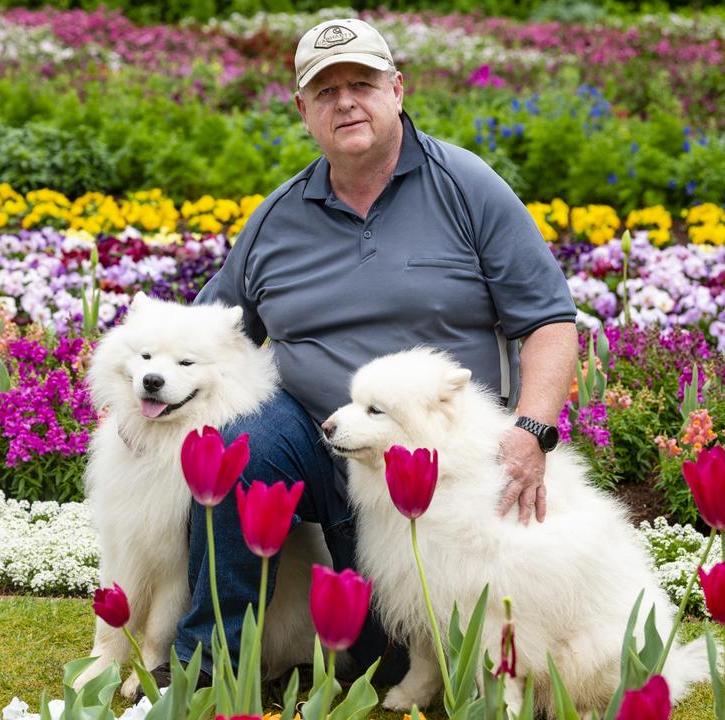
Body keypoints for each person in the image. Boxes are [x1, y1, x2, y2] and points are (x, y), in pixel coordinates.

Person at [172, 18, 580, 685]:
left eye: (361, 82)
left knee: (384, 665)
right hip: (312, 433)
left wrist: (533, 429)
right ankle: (204, 669)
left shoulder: (467, 187)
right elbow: (214, 335)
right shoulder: (277, 218)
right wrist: (147, 402)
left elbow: (549, 320)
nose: (346, 102)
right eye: (325, 91)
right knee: (236, 447)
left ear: (396, 89)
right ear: (303, 111)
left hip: (429, 464)